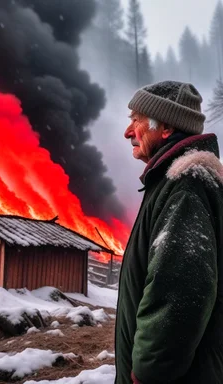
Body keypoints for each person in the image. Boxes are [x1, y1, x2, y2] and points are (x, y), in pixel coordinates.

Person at [115, 81, 223, 384]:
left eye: (136, 119)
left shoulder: (184, 188)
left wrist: (150, 371)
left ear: (165, 127)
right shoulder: (170, 184)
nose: (128, 132)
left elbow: (181, 290)